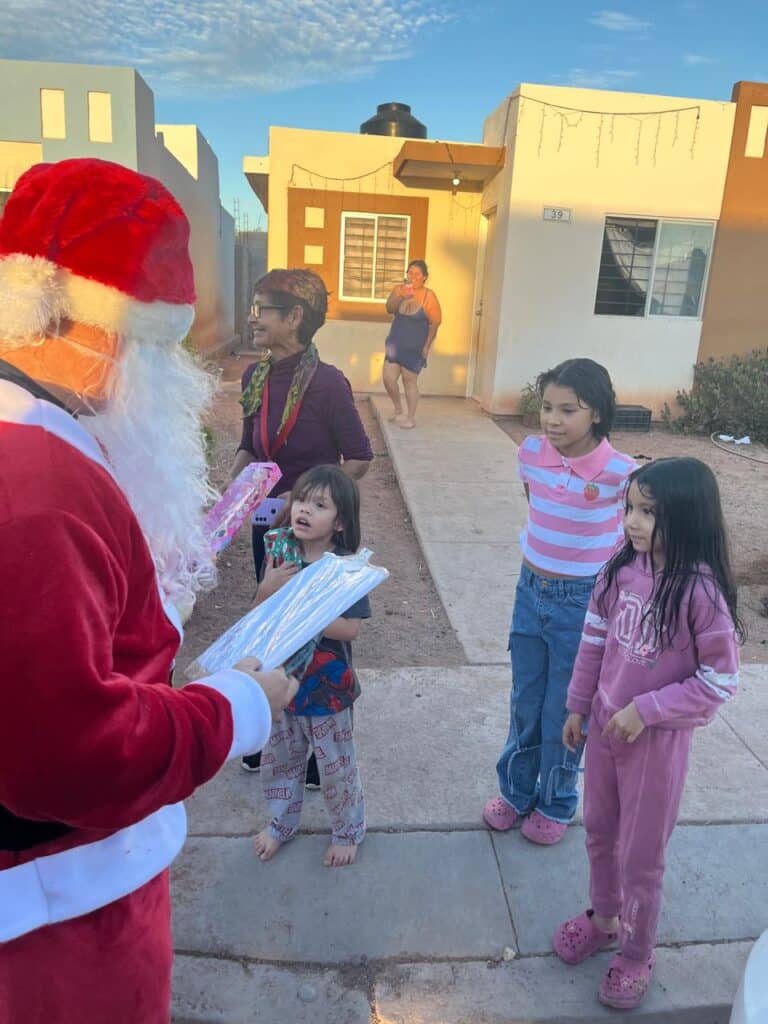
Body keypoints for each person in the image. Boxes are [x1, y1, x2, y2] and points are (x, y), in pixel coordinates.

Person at [0, 158, 297, 1024]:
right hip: (61, 917)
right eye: (165, 350)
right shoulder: (38, 486)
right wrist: (238, 702)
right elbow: (73, 756)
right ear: (104, 329)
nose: (173, 380)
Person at [554, 458, 741, 1010]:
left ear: (687, 517)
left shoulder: (702, 593)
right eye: (630, 508)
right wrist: (577, 705)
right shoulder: (619, 569)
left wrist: (650, 709)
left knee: (641, 856)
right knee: (599, 831)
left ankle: (636, 950)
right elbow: (593, 639)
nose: (633, 522)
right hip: (605, 733)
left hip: (654, 749)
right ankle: (605, 917)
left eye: (649, 513)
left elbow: (720, 681)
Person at [483, 359, 635, 844]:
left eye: (568, 410)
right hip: (530, 591)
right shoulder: (530, 453)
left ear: (596, 413)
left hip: (582, 604)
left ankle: (556, 801)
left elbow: (632, 537)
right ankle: (516, 792)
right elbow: (539, 505)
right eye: (547, 407)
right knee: (525, 700)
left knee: (566, 709)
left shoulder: (621, 473)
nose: (553, 419)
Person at [231, 268, 373, 779]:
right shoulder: (255, 377)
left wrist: (307, 496)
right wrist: (233, 493)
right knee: (270, 623)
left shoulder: (329, 384)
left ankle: (316, 744)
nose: (254, 320)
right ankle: (265, 728)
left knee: (313, 633)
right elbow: (250, 445)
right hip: (268, 526)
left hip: (316, 529)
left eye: (263, 309)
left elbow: (358, 457)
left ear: (294, 316)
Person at [253, 465, 369, 868]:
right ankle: (281, 823)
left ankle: (347, 830)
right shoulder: (280, 556)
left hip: (328, 691)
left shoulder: (345, 570)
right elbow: (259, 615)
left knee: (336, 768)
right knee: (280, 762)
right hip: (280, 684)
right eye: (301, 499)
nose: (303, 510)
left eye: (319, 505)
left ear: (339, 522)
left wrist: (301, 601)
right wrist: (268, 589)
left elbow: (349, 629)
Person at [382, 259, 442, 429]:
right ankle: (397, 408)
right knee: (388, 378)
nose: (413, 277)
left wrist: (427, 347)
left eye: (417, 274)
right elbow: (389, 308)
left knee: (409, 382)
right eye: (410, 273)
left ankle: (410, 417)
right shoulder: (399, 290)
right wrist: (400, 295)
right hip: (395, 344)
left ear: (424, 277)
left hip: (414, 348)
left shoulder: (429, 296)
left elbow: (435, 323)